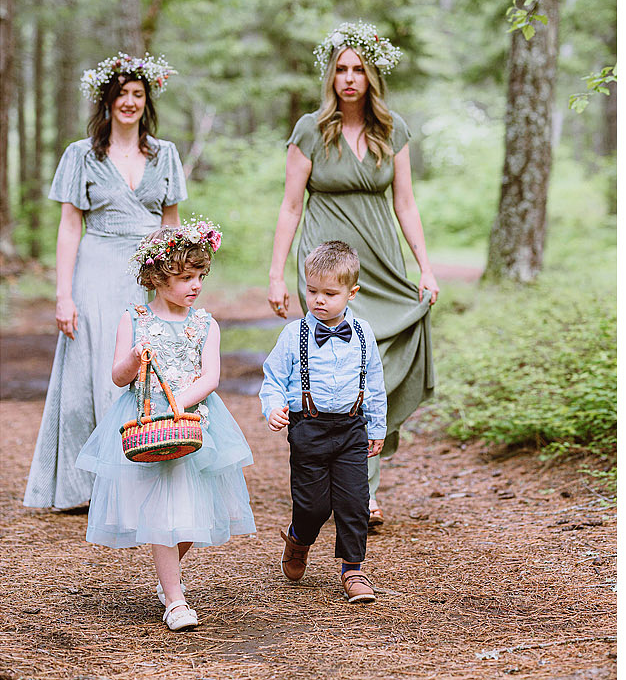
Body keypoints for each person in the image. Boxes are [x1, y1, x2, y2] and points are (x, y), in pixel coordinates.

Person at [267, 22, 435, 528]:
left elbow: (405, 203)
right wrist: (276, 273)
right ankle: (347, 486)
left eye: (358, 68)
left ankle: (362, 482)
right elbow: (291, 206)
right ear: (329, 76)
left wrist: (425, 266)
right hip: (324, 261)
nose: (348, 77)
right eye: (340, 69)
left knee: (377, 362)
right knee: (335, 364)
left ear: (373, 75)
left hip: (381, 261)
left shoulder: (393, 130)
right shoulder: (310, 130)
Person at [76, 221, 255, 631]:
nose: (195, 286)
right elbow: (119, 377)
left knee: (193, 510)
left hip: (193, 422)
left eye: (199, 277)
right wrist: (136, 358)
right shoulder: (133, 319)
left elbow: (210, 377)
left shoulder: (206, 324)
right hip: (144, 423)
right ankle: (175, 599)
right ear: (157, 278)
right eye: (184, 278)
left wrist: (176, 406)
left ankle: (166, 578)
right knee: (163, 506)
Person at [24, 54, 185, 512]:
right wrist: (63, 293)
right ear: (108, 102)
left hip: (147, 269)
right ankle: (86, 485)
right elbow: (70, 226)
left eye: (138, 94)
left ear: (146, 100)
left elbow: (170, 223)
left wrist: (176, 281)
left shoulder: (165, 153)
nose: (129, 102)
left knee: (147, 363)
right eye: (121, 95)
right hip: (95, 268)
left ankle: (144, 473)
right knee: (93, 371)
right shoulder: (81, 154)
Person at [261, 241, 387, 604]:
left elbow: (374, 381)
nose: (319, 300)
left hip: (351, 428)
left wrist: (377, 426)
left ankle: (353, 569)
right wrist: (273, 407)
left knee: (355, 501)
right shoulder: (293, 334)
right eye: (312, 290)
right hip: (308, 428)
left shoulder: (363, 333)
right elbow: (273, 378)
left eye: (330, 293)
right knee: (313, 505)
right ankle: (299, 538)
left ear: (352, 292)